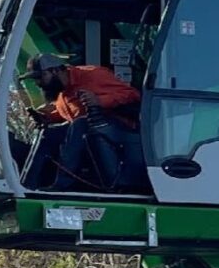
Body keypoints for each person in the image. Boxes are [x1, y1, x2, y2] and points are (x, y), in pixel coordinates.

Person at [22, 53, 142, 191]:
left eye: (40, 77)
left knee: (80, 125)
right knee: (48, 134)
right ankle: (27, 185)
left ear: (55, 70)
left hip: (117, 130)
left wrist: (100, 101)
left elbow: (132, 95)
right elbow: (72, 114)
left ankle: (64, 184)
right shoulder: (62, 93)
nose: (38, 83)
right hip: (87, 131)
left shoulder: (93, 74)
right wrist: (48, 117)